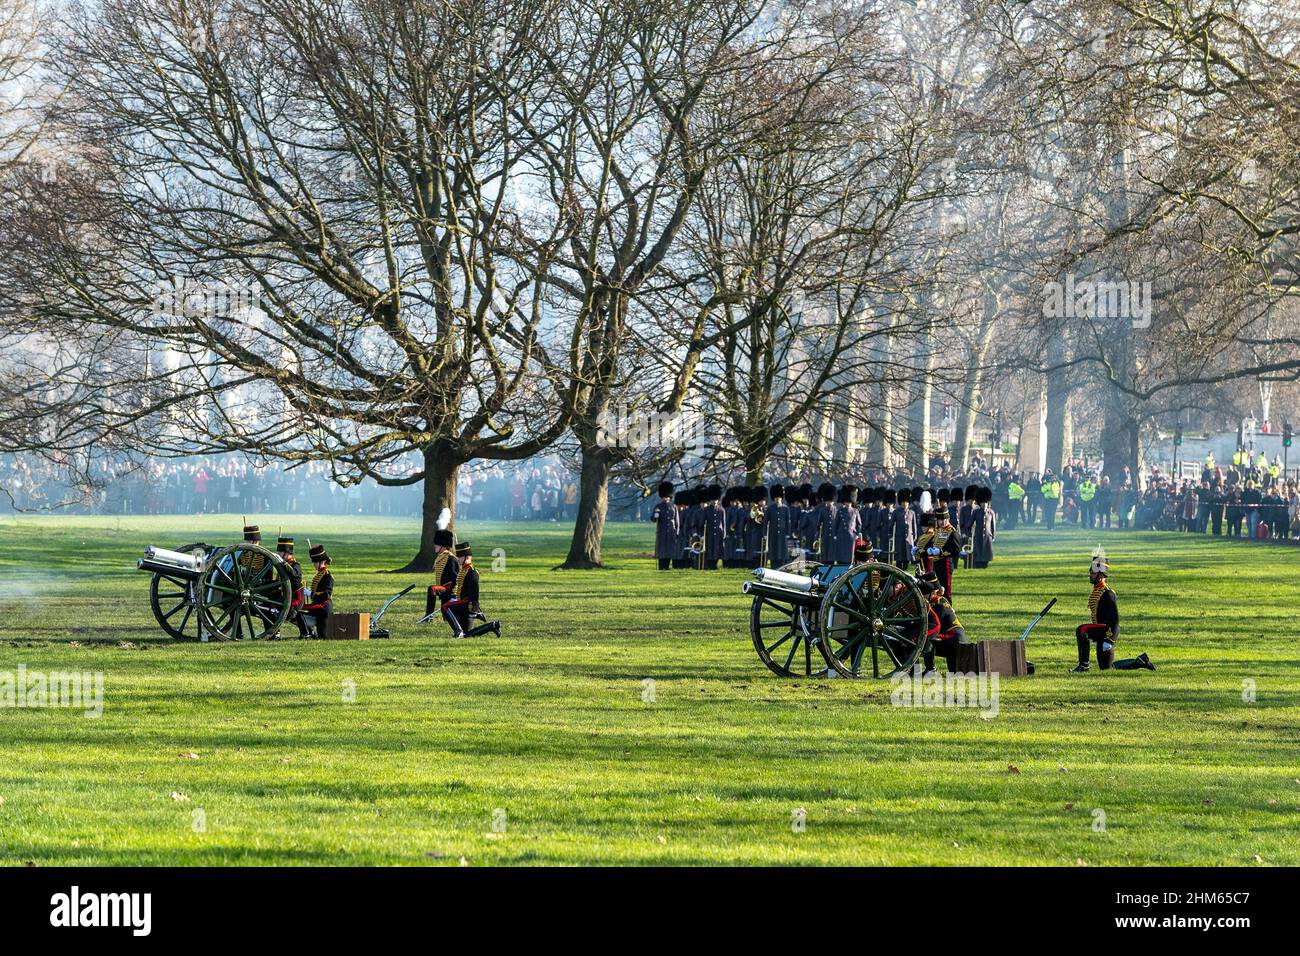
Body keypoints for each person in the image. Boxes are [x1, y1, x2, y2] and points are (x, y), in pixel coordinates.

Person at [1072, 548, 1154, 672]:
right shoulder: (1097, 591)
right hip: (1101, 632)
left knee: (1082, 630)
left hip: (1107, 631)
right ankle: (1139, 661)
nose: (1090, 575)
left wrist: (1109, 640)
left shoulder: (1107, 593)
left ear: (1100, 575)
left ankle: (1084, 666)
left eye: (1093, 573)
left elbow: (1115, 620)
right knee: (1106, 668)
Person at [440, 542, 501, 638]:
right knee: (467, 635)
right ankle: (493, 625)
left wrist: (474, 607)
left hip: (468, 605)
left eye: (460, 557)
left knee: (445, 607)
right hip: (463, 604)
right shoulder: (464, 570)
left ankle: (457, 631)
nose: (458, 559)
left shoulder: (472, 572)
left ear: (467, 557)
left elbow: (474, 593)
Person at [421, 524, 461, 620]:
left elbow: (456, 579)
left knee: (432, 589)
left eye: (437, 544)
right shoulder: (441, 558)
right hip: (444, 589)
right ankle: (428, 616)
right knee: (446, 617)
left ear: (443, 545)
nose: (434, 545)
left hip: (450, 591)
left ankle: (428, 616)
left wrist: (450, 593)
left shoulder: (450, 559)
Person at [276, 534, 306, 638]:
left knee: (289, 611)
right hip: (287, 596)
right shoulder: (284, 565)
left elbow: (295, 577)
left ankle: (306, 632)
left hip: (296, 599)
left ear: (286, 553)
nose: (278, 554)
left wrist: (283, 564)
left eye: (280, 552)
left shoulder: (295, 565)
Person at [302, 543, 334, 638]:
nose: (314, 565)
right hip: (318, 606)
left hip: (323, 607)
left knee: (323, 636)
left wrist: (309, 593)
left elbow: (325, 595)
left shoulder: (327, 576)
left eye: (316, 562)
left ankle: (306, 634)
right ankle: (308, 633)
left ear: (322, 561)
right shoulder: (319, 574)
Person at [651, 480, 679, 571]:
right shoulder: (658, 507)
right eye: (664, 497)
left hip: (671, 532)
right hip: (662, 532)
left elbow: (677, 521)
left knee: (670, 551)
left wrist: (676, 533)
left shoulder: (674, 507)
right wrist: (656, 514)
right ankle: (661, 567)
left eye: (667, 497)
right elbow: (653, 520)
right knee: (662, 551)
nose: (666, 498)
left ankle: (667, 566)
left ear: (670, 497)